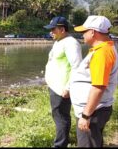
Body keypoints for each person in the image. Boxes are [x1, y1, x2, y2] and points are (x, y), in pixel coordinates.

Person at [70, 15, 118, 147]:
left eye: (84, 31)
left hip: (93, 112)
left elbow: (98, 86)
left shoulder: (102, 53)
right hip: (95, 109)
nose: (82, 35)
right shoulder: (103, 49)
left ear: (93, 32)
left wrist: (86, 115)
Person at [44, 16, 82, 147]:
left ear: (62, 29)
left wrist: (68, 87)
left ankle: (60, 144)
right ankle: (64, 140)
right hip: (55, 87)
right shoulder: (59, 41)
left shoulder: (71, 43)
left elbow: (76, 67)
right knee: (58, 116)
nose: (51, 32)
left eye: (53, 29)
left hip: (62, 89)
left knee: (61, 117)